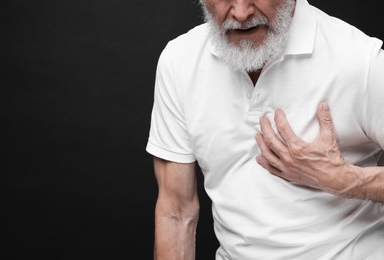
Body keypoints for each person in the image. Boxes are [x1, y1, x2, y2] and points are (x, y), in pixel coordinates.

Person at [146, 0, 384, 259]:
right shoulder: (179, 61)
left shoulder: (360, 60)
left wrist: (342, 179)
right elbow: (176, 211)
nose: (240, 13)